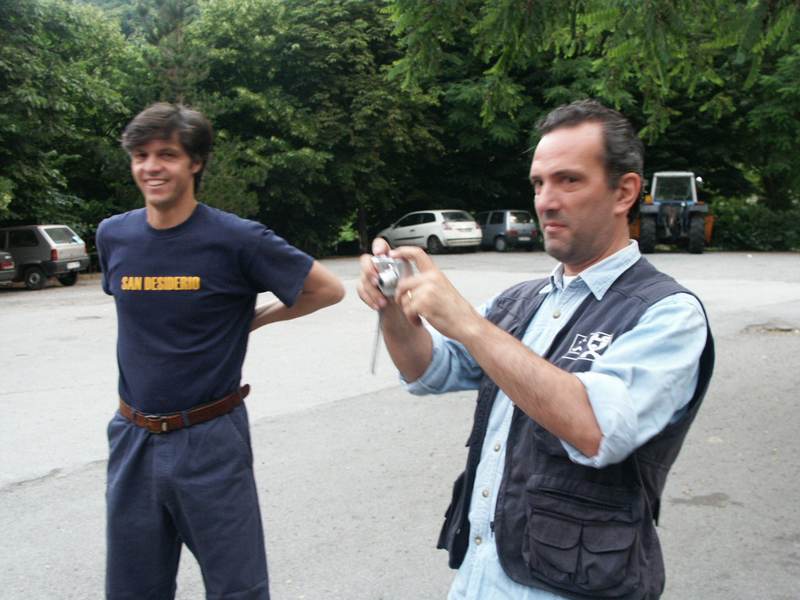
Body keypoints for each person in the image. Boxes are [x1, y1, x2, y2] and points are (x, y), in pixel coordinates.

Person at [358, 99, 714, 599]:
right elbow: (427, 370)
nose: (546, 201)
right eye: (539, 183)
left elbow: (596, 430)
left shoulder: (668, 313)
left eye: (569, 180)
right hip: (478, 578)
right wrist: (392, 308)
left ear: (625, 191)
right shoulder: (521, 301)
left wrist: (468, 324)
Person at [97, 102, 345, 600]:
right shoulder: (114, 235)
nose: (151, 167)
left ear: (195, 162)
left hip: (209, 439)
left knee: (238, 589)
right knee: (132, 589)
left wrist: (258, 317)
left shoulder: (237, 239)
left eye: (167, 154)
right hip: (133, 438)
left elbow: (327, 289)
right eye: (141, 155)